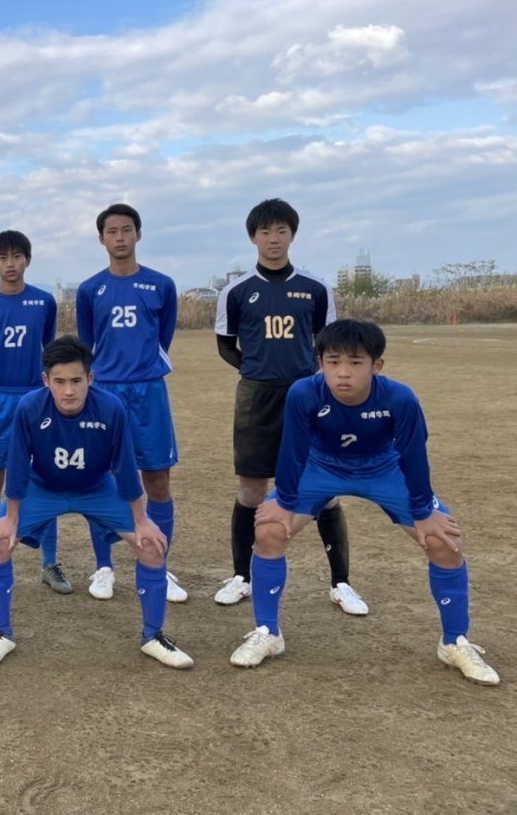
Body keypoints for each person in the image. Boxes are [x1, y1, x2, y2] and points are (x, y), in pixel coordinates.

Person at [229, 320, 498, 684]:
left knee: (443, 541)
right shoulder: (303, 393)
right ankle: (267, 633)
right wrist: (285, 500)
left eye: (355, 362)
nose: (343, 373)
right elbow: (293, 450)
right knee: (269, 530)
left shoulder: (400, 398)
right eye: (333, 362)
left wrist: (423, 511)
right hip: (321, 467)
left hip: (381, 469)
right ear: (320, 363)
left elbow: (413, 456)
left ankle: (454, 642)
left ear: (377, 365)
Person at [0, 336, 192, 669]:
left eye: (76, 381)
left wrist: (141, 520)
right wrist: (11, 518)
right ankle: (1, 633)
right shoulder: (29, 408)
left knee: (150, 546)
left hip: (97, 488)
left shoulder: (111, 408)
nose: (69, 391)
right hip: (43, 488)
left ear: (90, 378)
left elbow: (124, 467)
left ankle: (153, 636)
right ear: (45, 380)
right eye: (59, 381)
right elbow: (18, 465)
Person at [213, 199, 366, 614]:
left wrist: (312, 380)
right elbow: (225, 345)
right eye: (265, 232)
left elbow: (329, 345)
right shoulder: (236, 291)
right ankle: (242, 577)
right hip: (255, 399)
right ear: (253, 237)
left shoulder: (315, 288)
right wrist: (256, 371)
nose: (273, 239)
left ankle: (341, 583)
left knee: (325, 491)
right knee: (251, 489)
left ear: (292, 235)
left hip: (307, 399)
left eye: (281, 231)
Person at [76, 204, 187, 603]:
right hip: (106, 393)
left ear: (138, 234)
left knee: (157, 479)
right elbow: (88, 344)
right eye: (112, 231)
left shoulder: (161, 285)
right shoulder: (90, 289)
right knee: (101, 479)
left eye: (126, 230)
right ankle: (104, 566)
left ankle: (156, 564)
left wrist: (143, 368)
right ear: (101, 239)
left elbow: (163, 336)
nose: (120, 237)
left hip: (148, 391)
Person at [0, 230, 63, 594]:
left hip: (37, 398)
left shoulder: (44, 302)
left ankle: (50, 562)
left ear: (28, 260)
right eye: (3, 257)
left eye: (17, 256)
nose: (11, 264)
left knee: (47, 478)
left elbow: (49, 349)